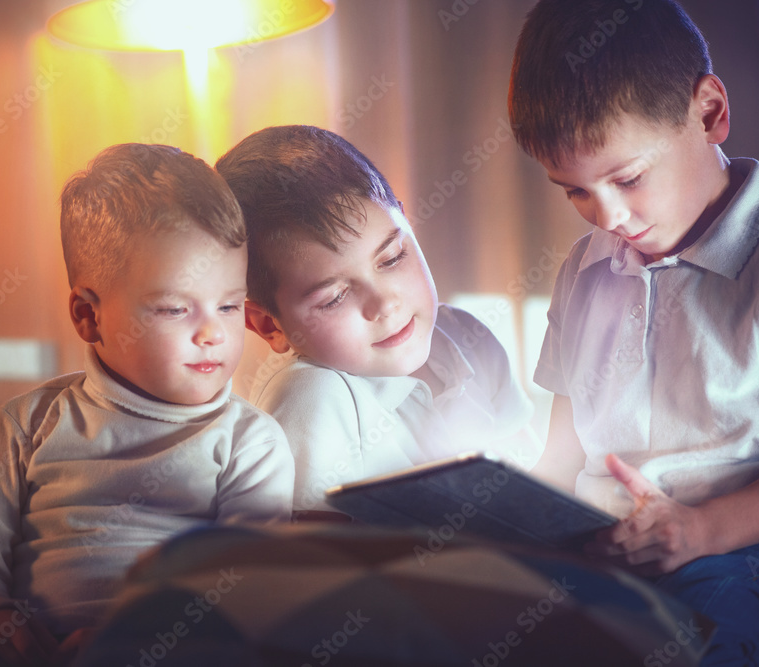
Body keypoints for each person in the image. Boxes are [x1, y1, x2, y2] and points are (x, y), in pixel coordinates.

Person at [509, 0, 759, 663]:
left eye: (627, 177)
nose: (608, 216)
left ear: (709, 112)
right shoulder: (583, 269)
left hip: (749, 550)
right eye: (573, 190)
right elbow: (563, 453)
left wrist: (698, 529)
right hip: (607, 549)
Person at [0, 143, 294, 666]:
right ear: (88, 316)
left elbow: (247, 587)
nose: (213, 332)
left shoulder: (249, 442)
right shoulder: (26, 424)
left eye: (230, 305)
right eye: (172, 308)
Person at [215, 125, 542, 515]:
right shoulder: (313, 397)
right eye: (335, 297)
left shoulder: (466, 334)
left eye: (392, 258)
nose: (384, 304)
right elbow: (314, 557)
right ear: (270, 325)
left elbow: (531, 479)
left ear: (406, 223)